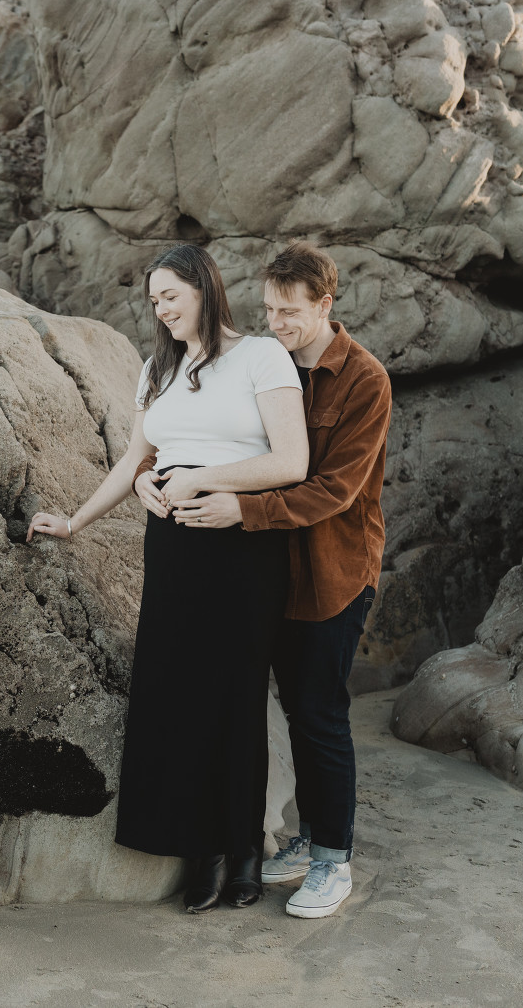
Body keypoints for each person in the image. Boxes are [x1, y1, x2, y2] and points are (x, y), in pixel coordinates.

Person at [26, 244, 309, 913]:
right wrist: (76, 520)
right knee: (179, 694)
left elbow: (292, 461)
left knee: (236, 697)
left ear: (204, 288)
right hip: (175, 544)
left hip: (242, 542)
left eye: (170, 296)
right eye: (154, 300)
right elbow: (136, 458)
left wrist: (199, 477)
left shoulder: (262, 357)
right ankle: (201, 851)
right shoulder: (158, 368)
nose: (161, 309)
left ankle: (245, 848)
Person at [143, 241, 391, 920]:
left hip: (331, 570)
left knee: (317, 713)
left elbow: (334, 488)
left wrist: (242, 509)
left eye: (290, 312)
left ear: (324, 305)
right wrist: (150, 477)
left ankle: (332, 858)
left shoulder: (363, 379)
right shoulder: (266, 363)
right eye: (269, 309)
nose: (276, 323)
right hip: (262, 569)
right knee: (267, 707)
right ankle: (302, 836)